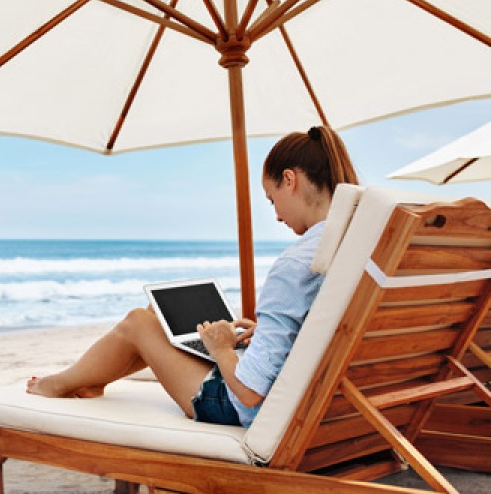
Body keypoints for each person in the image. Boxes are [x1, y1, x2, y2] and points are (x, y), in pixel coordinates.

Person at [27, 125, 359, 427]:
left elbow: (248, 393)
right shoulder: (359, 244)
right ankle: (89, 380)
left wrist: (221, 349)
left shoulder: (296, 264)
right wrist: (277, 336)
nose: (276, 214)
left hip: (241, 405)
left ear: (290, 179)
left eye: (272, 199)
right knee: (158, 317)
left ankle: (58, 384)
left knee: (138, 322)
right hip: (333, 403)